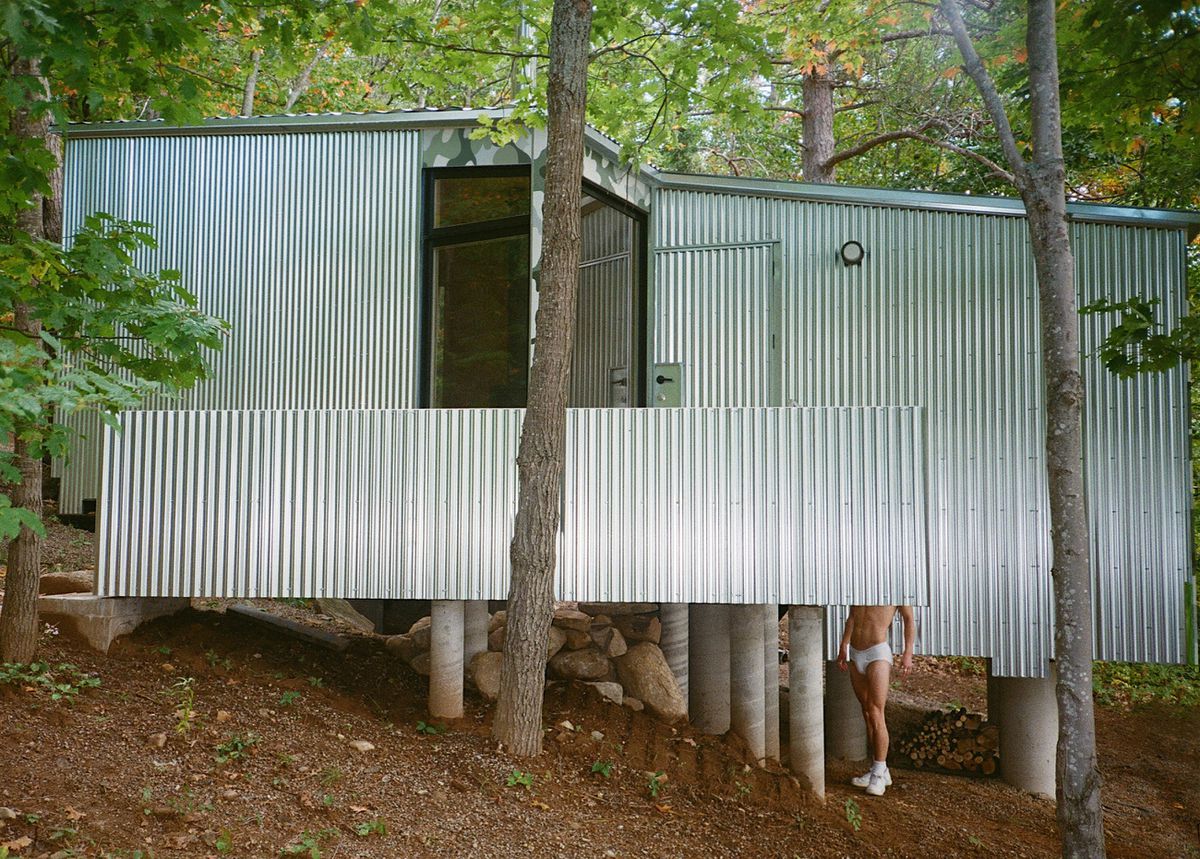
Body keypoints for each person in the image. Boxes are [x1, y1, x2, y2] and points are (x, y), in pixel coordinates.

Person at [837, 604, 916, 797]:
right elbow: (852, 617)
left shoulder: (893, 586)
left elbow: (909, 619)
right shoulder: (860, 585)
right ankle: (879, 769)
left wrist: (908, 653)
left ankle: (879, 774)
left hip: (877, 653)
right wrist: (844, 645)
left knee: (875, 711)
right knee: (866, 711)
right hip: (856, 653)